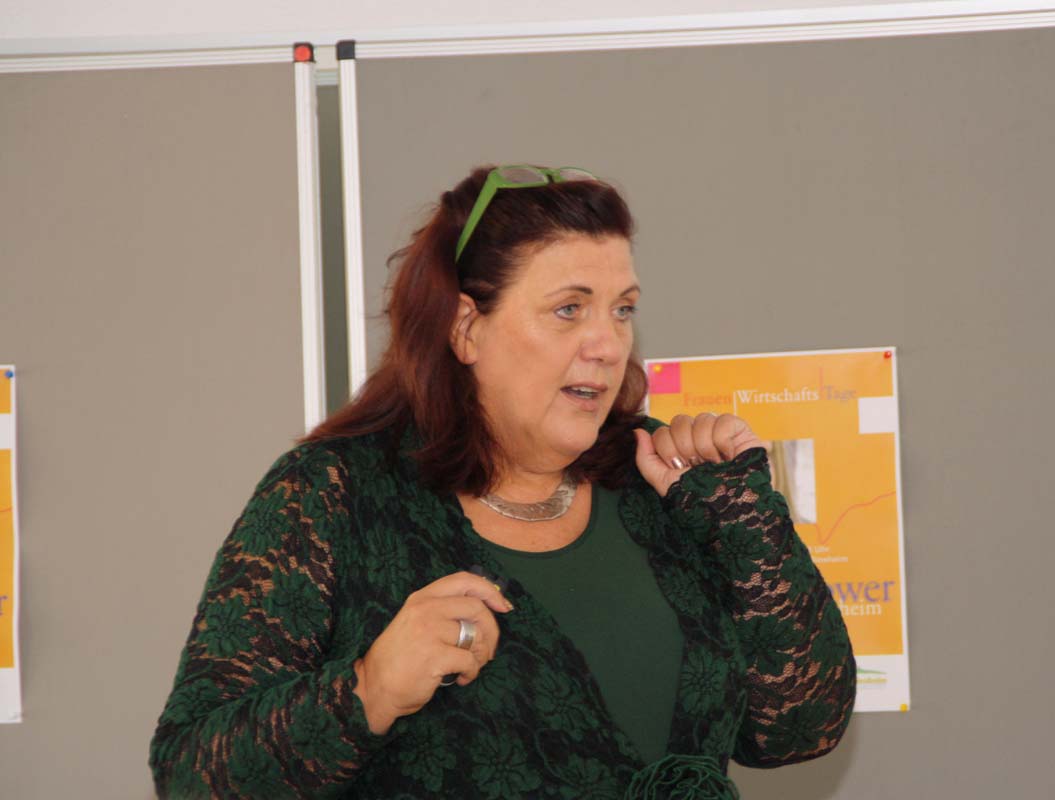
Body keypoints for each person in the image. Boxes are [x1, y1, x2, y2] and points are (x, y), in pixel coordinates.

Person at [149, 164, 856, 799]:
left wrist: (741, 518)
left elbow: (800, 729)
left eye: (623, 309)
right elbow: (190, 774)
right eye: (569, 308)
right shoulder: (332, 493)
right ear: (467, 329)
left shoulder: (661, 482)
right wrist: (368, 691)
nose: (608, 344)